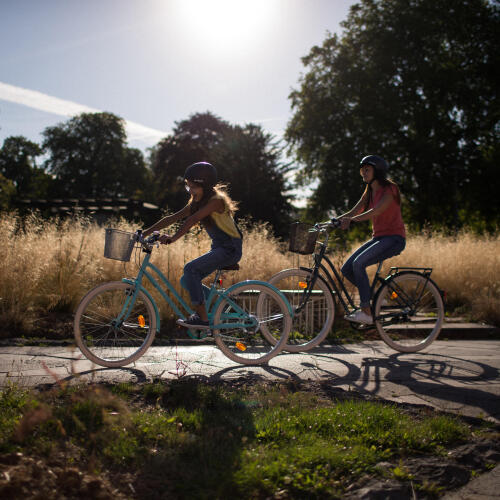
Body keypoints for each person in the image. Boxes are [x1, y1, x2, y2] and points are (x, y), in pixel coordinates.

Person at [142, 162, 243, 329]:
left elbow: (193, 219)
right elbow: (172, 218)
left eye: (194, 187)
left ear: (205, 185)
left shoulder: (216, 201)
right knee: (186, 280)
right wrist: (144, 232)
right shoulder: (198, 202)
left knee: (190, 269)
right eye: (188, 187)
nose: (190, 191)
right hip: (219, 248)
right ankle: (221, 303)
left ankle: (202, 319)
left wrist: (173, 238)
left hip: (230, 248)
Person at [338, 155, 406, 324]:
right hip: (379, 238)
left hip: (394, 238)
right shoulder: (369, 191)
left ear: (378, 171)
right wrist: (333, 221)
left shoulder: (390, 189)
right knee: (347, 269)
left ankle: (367, 312)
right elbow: (354, 210)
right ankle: (376, 297)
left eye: (367, 169)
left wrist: (351, 220)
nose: (363, 173)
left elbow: (376, 210)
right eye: (362, 170)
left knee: (358, 264)